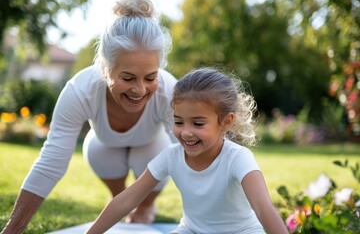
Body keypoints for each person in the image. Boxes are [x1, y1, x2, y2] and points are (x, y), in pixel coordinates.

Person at [1, 0, 177, 233]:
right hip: (105, 145)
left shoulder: (170, 92)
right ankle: (119, 200)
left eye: (150, 77)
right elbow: (51, 160)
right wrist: (12, 230)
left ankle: (145, 206)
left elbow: (190, 154)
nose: (140, 89)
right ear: (105, 69)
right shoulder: (80, 90)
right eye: (127, 78)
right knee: (96, 149)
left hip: (152, 145)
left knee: (159, 151)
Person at [85, 67, 289, 234]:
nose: (186, 133)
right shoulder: (171, 156)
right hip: (191, 230)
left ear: (226, 122)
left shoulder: (238, 158)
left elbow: (262, 208)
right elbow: (128, 199)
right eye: (178, 122)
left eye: (198, 124)